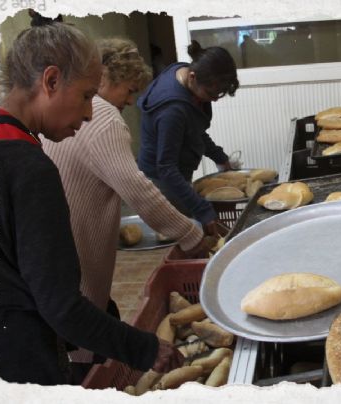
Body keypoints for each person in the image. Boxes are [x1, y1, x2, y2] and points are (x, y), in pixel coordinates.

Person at [0, 16, 183, 385]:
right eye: (86, 95)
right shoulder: (31, 169)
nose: (90, 112)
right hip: (22, 358)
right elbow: (60, 306)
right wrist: (146, 348)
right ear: (50, 81)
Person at [42, 38, 213, 367]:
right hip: (77, 263)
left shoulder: (70, 114)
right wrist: (191, 234)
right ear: (105, 78)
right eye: (130, 89)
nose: (132, 100)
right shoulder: (102, 119)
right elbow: (138, 190)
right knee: (85, 353)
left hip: (59, 259)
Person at [137, 40, 240, 232]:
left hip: (173, 173)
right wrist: (203, 210)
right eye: (211, 93)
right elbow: (166, 167)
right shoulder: (172, 110)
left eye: (220, 94)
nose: (215, 99)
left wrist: (219, 157)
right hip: (161, 182)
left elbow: (194, 129)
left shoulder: (187, 74)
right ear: (192, 77)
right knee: (188, 232)